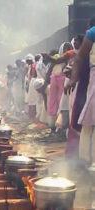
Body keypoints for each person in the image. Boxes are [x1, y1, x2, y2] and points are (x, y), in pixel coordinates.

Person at [66, 21, 95, 165]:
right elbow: (80, 57)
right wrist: (73, 79)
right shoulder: (93, 32)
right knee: (89, 120)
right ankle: (86, 162)